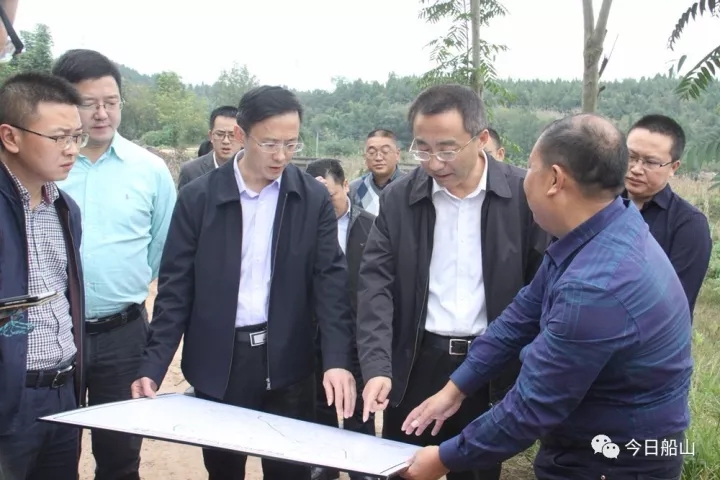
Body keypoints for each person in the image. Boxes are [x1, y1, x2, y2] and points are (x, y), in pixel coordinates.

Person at [399, 113, 692, 480]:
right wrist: (457, 387)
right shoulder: (602, 228)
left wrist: (443, 459)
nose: (524, 179)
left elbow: (531, 407)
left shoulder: (595, 287)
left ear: (554, 179)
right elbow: (521, 315)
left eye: (531, 168)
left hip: (612, 461)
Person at [132, 85, 357, 480]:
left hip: (288, 360)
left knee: (289, 471)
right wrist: (153, 364)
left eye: (291, 144)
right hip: (219, 362)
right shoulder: (199, 198)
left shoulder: (310, 198)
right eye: (269, 143)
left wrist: (337, 360)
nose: (281, 155)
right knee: (224, 469)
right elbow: (176, 289)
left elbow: (330, 284)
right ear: (241, 134)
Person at [357, 84, 549, 480]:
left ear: (481, 139)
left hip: (489, 367)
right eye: (423, 149)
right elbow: (375, 286)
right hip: (417, 362)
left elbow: (541, 286)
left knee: (476, 469)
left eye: (446, 149)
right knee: (404, 469)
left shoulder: (523, 195)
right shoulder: (399, 199)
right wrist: (377, 366)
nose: (433, 162)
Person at [52, 49, 177, 480]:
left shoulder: (150, 170)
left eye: (111, 102)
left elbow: (161, 248)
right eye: (88, 103)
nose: (102, 113)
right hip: (53, 334)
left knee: (121, 457)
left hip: (123, 335)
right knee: (51, 452)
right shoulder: (42, 167)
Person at [0, 72, 87, 479]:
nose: (71, 150)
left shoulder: (64, 209)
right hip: (10, 397)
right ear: (10, 137)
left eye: (77, 137)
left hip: (63, 391)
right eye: (58, 137)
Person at [305, 158, 377, 480]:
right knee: (320, 401)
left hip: (359, 331)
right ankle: (324, 465)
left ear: (346, 186)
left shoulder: (371, 226)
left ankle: (361, 467)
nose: (324, 205)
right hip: (316, 331)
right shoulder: (303, 228)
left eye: (330, 196)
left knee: (359, 403)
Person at [624, 114, 711, 318]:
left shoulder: (689, 224)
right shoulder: (599, 203)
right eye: (630, 156)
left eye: (650, 162)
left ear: (673, 167)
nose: (636, 169)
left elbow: (674, 302)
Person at [178, 105, 243, 189]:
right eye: (220, 134)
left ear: (242, 137)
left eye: (232, 135)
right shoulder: (191, 171)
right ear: (211, 136)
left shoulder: (254, 170)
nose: (226, 141)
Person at [349, 129, 404, 215]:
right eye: (372, 152)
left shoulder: (410, 185)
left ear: (397, 154)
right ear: (365, 157)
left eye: (385, 151)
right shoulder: (355, 188)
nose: (378, 158)